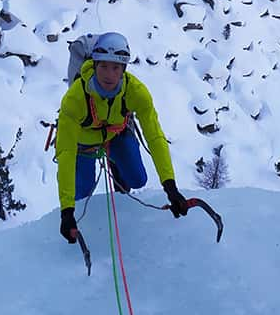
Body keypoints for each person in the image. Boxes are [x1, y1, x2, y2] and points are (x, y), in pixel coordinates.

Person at [56, 32, 189, 243]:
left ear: (124, 69)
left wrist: (170, 186)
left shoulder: (136, 92)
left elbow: (155, 137)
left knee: (138, 179)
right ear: (95, 64)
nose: (109, 74)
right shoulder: (75, 98)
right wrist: (67, 211)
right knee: (81, 194)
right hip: (84, 145)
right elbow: (65, 152)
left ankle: (116, 166)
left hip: (116, 134)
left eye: (115, 67)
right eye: (104, 67)